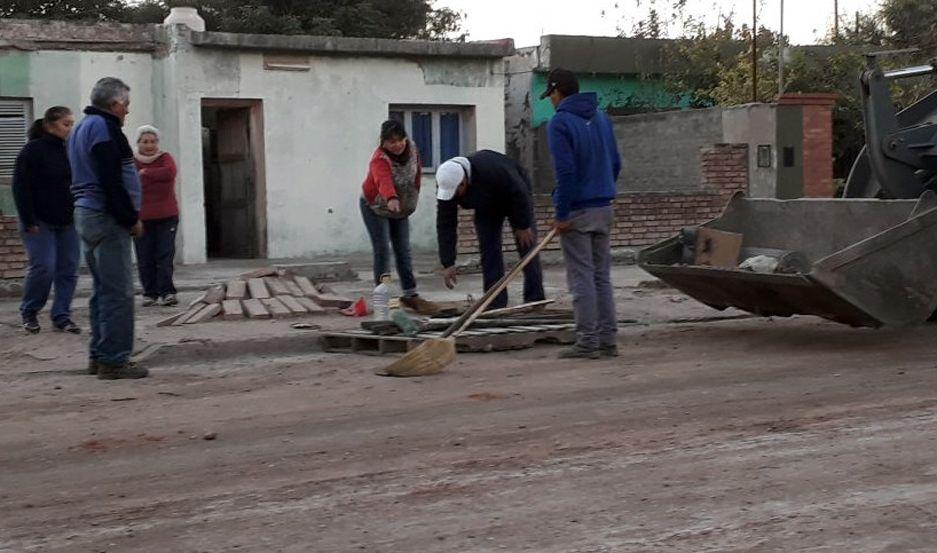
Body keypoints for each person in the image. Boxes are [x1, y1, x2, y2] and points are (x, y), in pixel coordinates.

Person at [68, 77, 148, 380]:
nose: (127, 112)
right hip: (105, 216)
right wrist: (130, 218)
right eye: (126, 106)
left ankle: (99, 355)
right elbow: (110, 180)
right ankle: (114, 360)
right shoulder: (104, 129)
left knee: (102, 289)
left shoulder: (82, 127)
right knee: (118, 293)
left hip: (87, 214)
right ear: (115, 105)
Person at [543, 68, 621, 359]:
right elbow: (616, 162)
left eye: (550, 95)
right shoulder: (602, 117)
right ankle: (608, 340)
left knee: (582, 277)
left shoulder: (560, 123)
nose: (550, 101)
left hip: (578, 209)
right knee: (602, 276)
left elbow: (566, 172)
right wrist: (604, 188)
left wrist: (562, 212)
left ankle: (588, 340)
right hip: (604, 206)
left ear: (556, 92)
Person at [435, 151, 545, 310]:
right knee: (489, 250)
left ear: (464, 181)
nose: (454, 197)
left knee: (527, 246)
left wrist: (523, 224)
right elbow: (445, 224)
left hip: (515, 198)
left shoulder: (492, 169)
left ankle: (535, 298)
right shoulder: (446, 183)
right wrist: (448, 262)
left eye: (457, 192)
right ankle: (495, 301)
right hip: (486, 206)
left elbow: (520, 192)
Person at [12, 106, 81, 335]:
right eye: (66, 124)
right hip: (38, 221)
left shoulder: (70, 150)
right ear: (50, 126)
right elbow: (20, 187)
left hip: (66, 220)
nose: (70, 129)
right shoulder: (33, 150)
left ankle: (61, 315)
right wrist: (28, 218)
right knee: (44, 267)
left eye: (72, 124)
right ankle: (30, 311)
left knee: (68, 268)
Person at [359, 119, 437, 315]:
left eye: (399, 140)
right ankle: (382, 297)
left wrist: (411, 197)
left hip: (400, 206)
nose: (396, 145)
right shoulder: (379, 159)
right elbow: (382, 180)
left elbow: (416, 174)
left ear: (405, 138)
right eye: (391, 142)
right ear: (383, 143)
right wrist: (391, 198)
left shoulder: (412, 151)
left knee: (403, 249)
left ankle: (411, 295)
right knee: (383, 249)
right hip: (376, 205)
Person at [133, 125, 179, 307]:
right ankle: (149, 293)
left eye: (153, 141)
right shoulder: (132, 161)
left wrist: (145, 173)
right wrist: (150, 176)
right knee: (145, 257)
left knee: (165, 256)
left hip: (167, 216)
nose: (149, 145)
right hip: (141, 218)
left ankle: (167, 292)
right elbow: (130, 180)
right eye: (145, 142)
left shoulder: (165, 158)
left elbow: (169, 173)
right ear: (138, 143)